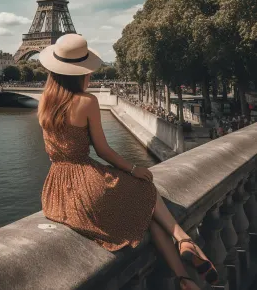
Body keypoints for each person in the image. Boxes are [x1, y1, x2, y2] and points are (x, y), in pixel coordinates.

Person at [38, 34, 218, 290]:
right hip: (86, 185)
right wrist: (135, 169)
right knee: (145, 189)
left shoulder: (44, 102)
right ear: (80, 73)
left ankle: (184, 278)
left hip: (56, 190)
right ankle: (184, 241)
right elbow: (103, 151)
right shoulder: (87, 102)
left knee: (146, 218)